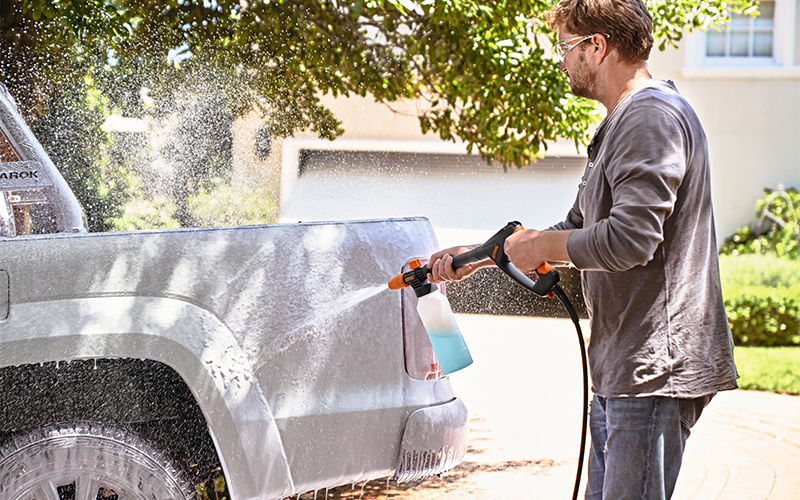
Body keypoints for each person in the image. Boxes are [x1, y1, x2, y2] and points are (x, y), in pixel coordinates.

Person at [427, 0, 738, 498]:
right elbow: (576, 227)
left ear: (598, 46)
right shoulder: (621, 123)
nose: (560, 60)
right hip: (622, 365)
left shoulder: (650, 119)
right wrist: (486, 254)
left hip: (654, 368)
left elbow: (632, 239)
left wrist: (542, 244)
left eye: (565, 47)